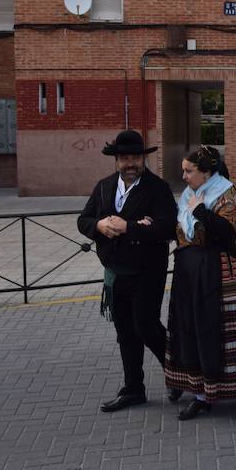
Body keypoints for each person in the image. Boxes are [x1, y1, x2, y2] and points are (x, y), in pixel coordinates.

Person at [164, 148, 236, 420]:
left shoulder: (225, 193)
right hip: (188, 269)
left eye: (189, 171)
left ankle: (219, 391)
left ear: (206, 171)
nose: (184, 175)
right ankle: (194, 388)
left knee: (220, 329)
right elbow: (180, 229)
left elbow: (227, 233)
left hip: (217, 270)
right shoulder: (191, 193)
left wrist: (201, 211)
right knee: (188, 327)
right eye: (184, 170)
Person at [76, 130, 178, 413]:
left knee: (146, 326)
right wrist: (98, 226)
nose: (130, 163)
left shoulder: (158, 188)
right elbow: (83, 220)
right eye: (124, 158)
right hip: (115, 273)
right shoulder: (104, 186)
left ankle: (178, 372)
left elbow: (168, 228)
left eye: (135, 158)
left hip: (148, 271)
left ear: (142, 159)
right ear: (116, 160)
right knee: (125, 332)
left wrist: (128, 228)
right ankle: (134, 388)